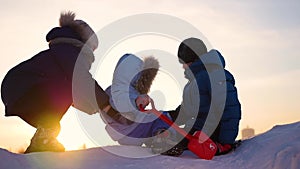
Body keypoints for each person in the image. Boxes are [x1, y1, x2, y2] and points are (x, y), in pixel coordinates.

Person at [0, 11, 120, 153]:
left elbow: (76, 93)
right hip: (23, 88)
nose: (93, 53)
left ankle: (41, 142)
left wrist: (93, 106)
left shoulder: (63, 52)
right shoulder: (70, 51)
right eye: (93, 48)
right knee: (67, 87)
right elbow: (81, 80)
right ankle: (44, 139)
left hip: (19, 89)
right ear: (85, 42)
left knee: (52, 119)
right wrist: (105, 104)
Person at [149, 37, 242, 157]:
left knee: (173, 143)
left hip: (212, 133)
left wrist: (225, 142)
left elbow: (229, 108)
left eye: (184, 63)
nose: (183, 67)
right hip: (195, 131)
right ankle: (166, 139)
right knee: (163, 139)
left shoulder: (215, 75)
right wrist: (167, 116)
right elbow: (186, 111)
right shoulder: (193, 83)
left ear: (192, 59)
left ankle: (174, 144)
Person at [101, 54, 176, 152]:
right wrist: (135, 101)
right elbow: (121, 102)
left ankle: (154, 138)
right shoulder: (120, 90)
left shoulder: (111, 90)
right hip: (131, 130)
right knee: (161, 116)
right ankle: (162, 138)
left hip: (124, 135)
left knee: (149, 120)